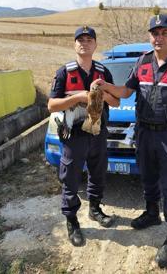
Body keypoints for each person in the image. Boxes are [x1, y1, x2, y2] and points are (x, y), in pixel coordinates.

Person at [93, 14, 167, 268]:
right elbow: (126, 92)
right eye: (155, 33)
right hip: (144, 132)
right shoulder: (142, 61)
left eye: (165, 32)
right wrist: (106, 86)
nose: (159, 37)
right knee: (148, 176)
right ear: (150, 36)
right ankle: (152, 213)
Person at [48, 26, 119, 247]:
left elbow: (116, 102)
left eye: (89, 40)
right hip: (74, 134)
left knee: (98, 172)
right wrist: (78, 96)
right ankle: (71, 221)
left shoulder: (102, 71)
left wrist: (103, 94)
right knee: (71, 177)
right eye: (80, 40)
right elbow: (51, 105)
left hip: (98, 131)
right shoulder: (64, 72)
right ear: (74, 44)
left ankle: (95, 209)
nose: (84, 43)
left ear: (95, 45)